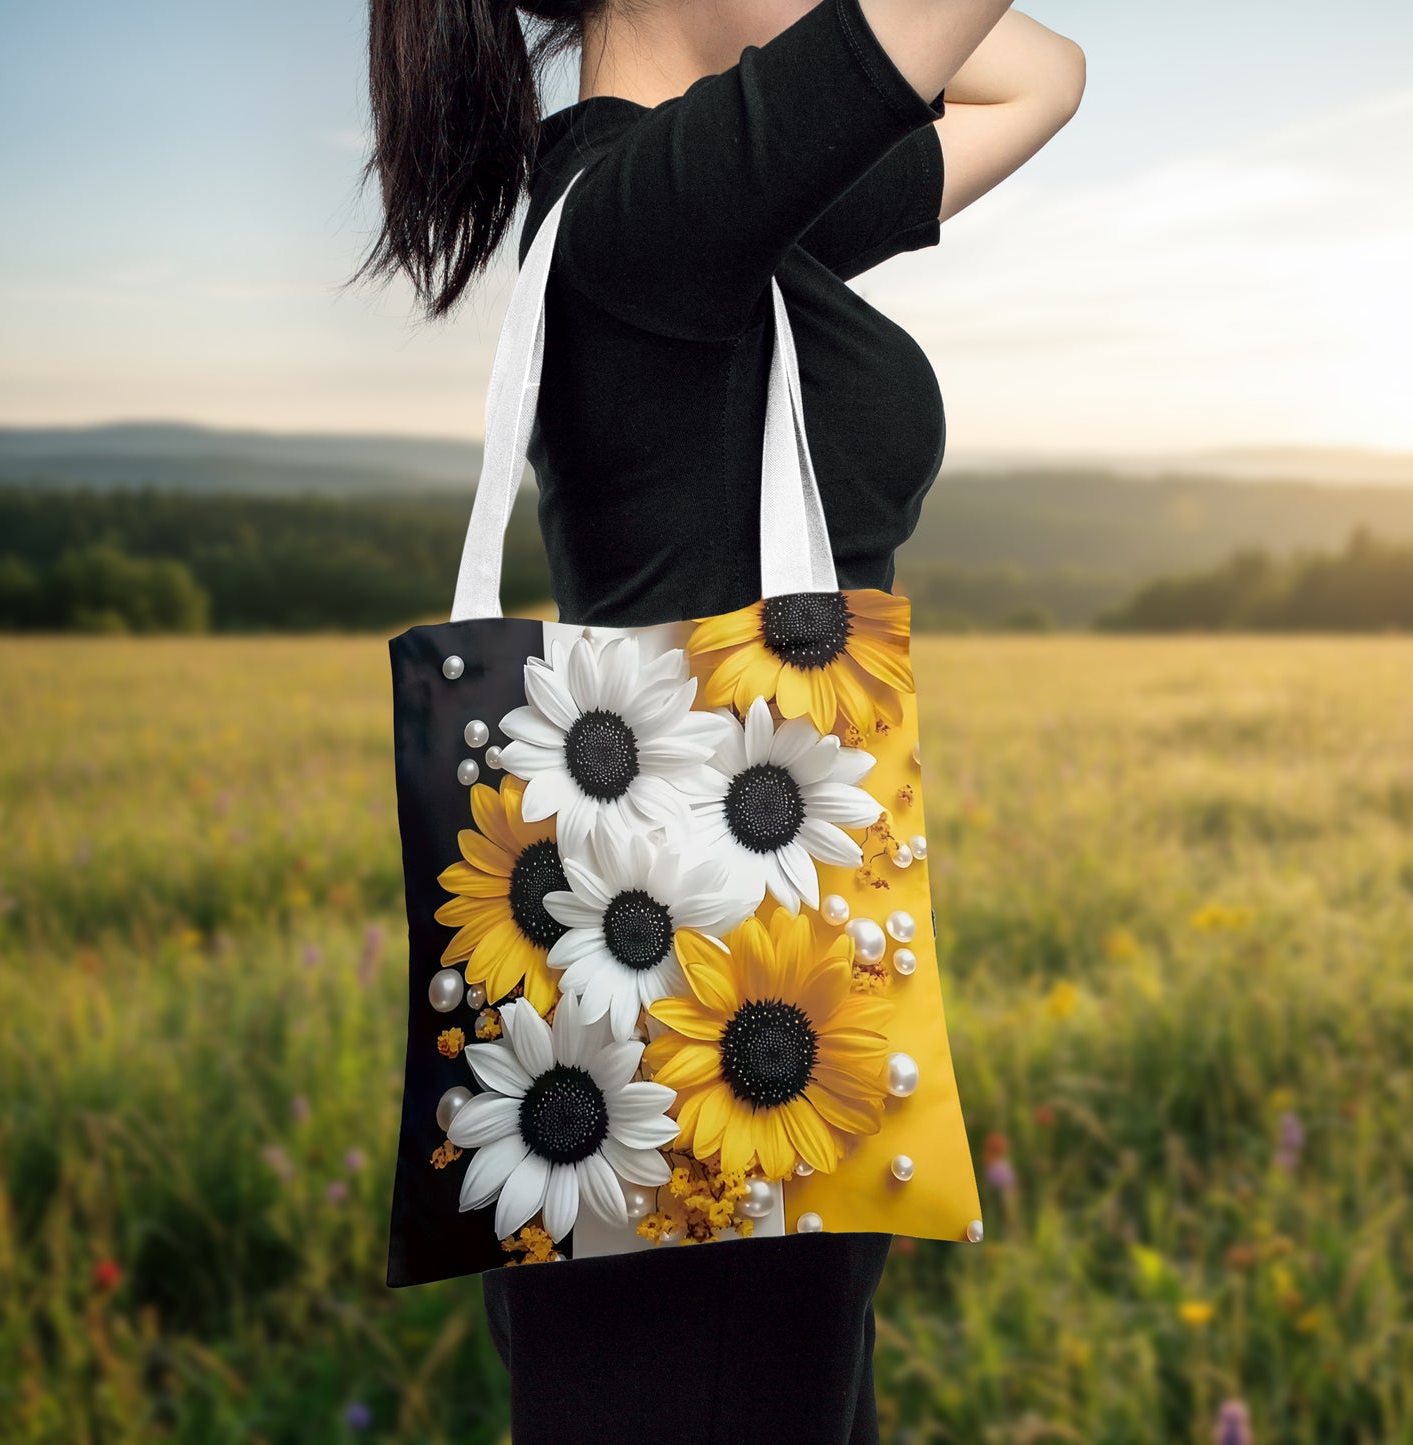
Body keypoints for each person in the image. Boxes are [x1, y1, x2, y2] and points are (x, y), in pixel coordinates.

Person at [353, 0, 1083, 1436]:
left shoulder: (721, 213)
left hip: (750, 1020)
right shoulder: (653, 211)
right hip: (708, 1052)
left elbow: (1040, 79)